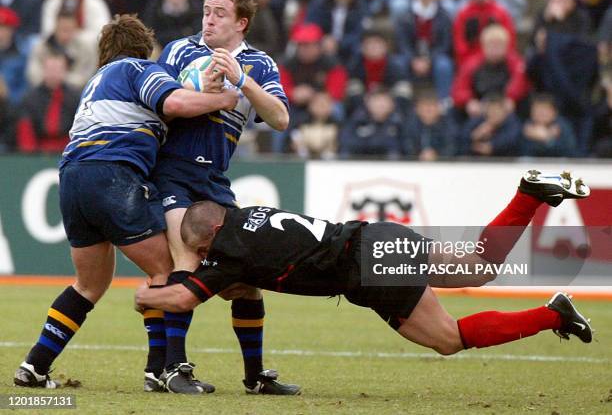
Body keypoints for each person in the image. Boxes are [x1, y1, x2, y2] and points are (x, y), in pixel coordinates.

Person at [135, 171, 593, 371]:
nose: (200, 258)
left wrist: (145, 295)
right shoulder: (248, 216)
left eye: (200, 250)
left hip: (369, 266)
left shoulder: (229, 249)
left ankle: (554, 315)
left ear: (212, 233)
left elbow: (182, 297)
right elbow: (254, 269)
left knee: (449, 339)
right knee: (479, 264)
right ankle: (530, 194)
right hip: (375, 235)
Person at [13, 14, 239, 391]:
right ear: (143, 48)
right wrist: (224, 98)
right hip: (112, 176)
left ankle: (34, 365)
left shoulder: (95, 82)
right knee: (167, 269)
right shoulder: (136, 67)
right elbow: (177, 102)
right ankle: (163, 369)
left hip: (72, 179)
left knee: (89, 284)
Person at [153, 0, 297, 396]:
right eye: (205, 11)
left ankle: (254, 378)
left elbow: (281, 119)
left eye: (219, 13)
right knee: (186, 254)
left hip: (214, 180)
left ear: (241, 22)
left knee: (244, 276)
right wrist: (204, 91)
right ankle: (173, 368)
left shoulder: (260, 64)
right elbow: (161, 103)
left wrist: (242, 82)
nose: (209, 19)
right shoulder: (181, 51)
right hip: (173, 171)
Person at [16, 50, 81, 153]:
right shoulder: (30, 98)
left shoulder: (75, 97)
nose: (53, 73)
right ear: (43, 70)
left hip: (68, 151)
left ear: (65, 70)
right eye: (50, 69)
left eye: (57, 69)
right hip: (38, 152)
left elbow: (79, 129)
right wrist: (29, 155)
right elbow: (26, 130)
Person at [520, 93, 577, 157]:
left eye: (544, 111)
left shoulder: (562, 126)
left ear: (554, 112)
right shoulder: (527, 126)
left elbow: (571, 152)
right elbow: (522, 151)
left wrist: (548, 140)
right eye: (537, 111)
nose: (540, 115)